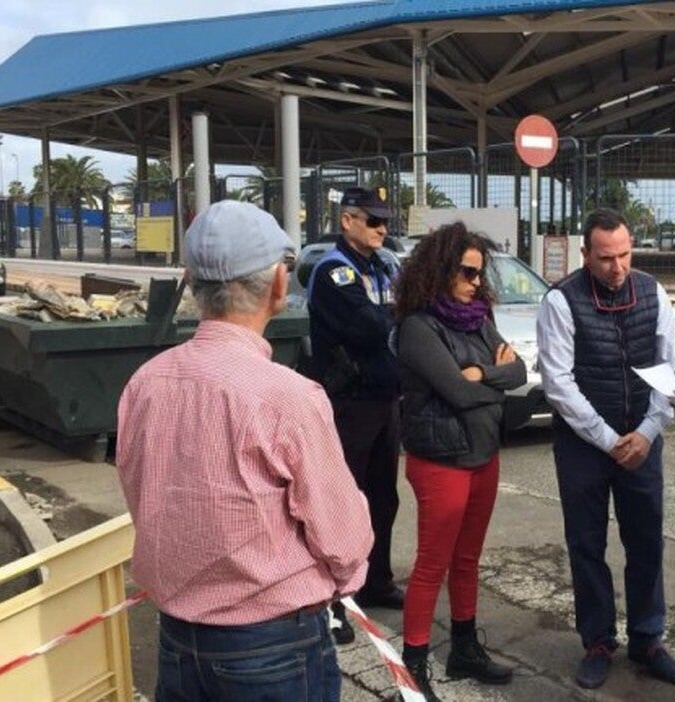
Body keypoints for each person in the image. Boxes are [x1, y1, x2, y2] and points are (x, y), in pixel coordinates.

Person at [116, 200, 373, 702]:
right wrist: (345, 579)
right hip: (273, 644)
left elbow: (140, 493)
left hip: (176, 636)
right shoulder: (288, 396)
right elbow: (342, 533)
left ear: (191, 281)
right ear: (280, 284)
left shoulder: (146, 382)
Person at [537, 208, 675, 690]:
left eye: (624, 255)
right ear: (586, 255)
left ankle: (648, 638)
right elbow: (558, 383)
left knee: (646, 540)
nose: (617, 267)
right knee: (586, 543)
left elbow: (670, 371)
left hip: (643, 438)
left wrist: (646, 431)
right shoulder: (560, 301)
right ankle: (598, 640)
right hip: (584, 444)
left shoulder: (654, 291)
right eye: (605, 258)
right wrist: (607, 439)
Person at [393, 222, 526, 701]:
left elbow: (520, 371)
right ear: (441, 269)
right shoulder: (418, 326)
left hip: (482, 454)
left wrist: (485, 374)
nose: (475, 282)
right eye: (468, 272)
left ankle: (464, 648)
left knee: (468, 560)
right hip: (441, 461)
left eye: (479, 273)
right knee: (433, 563)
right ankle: (413, 665)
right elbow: (454, 389)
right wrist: (493, 385)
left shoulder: (478, 318)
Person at [307, 186, 405, 639]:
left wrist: (393, 312)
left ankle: (376, 580)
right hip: (350, 403)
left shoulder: (381, 267)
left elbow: (395, 314)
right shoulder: (334, 272)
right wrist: (396, 313)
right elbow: (370, 327)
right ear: (347, 221)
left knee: (384, 498)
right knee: (344, 504)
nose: (383, 228)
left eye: (385, 221)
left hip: (384, 401)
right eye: (373, 220)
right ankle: (335, 601)